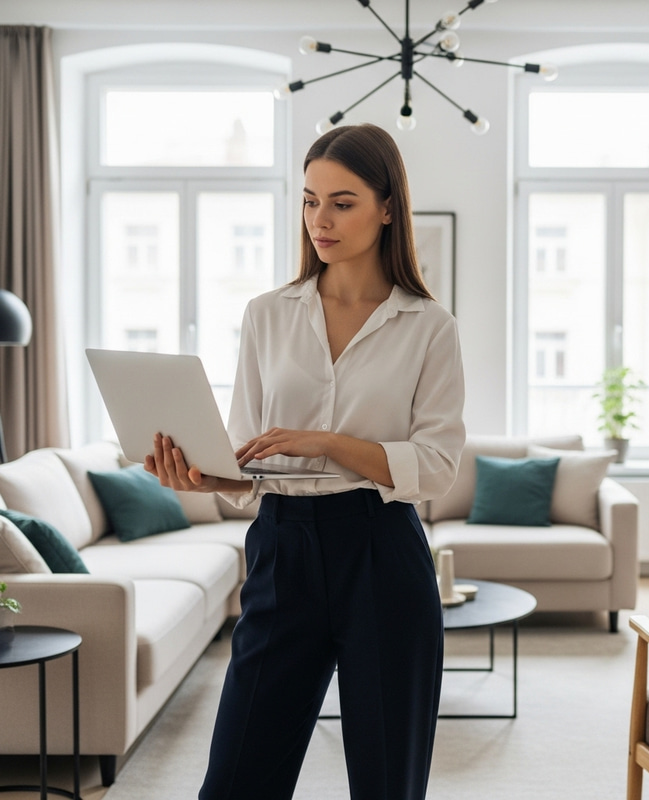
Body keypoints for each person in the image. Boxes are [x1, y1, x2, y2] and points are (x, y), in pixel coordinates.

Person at [145, 122, 466, 800]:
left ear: (387, 207)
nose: (321, 219)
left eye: (342, 202)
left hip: (382, 553)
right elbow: (248, 461)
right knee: (237, 778)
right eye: (310, 200)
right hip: (282, 548)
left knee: (387, 782)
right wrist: (200, 476)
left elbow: (437, 465)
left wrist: (324, 441)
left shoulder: (429, 326)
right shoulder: (268, 315)